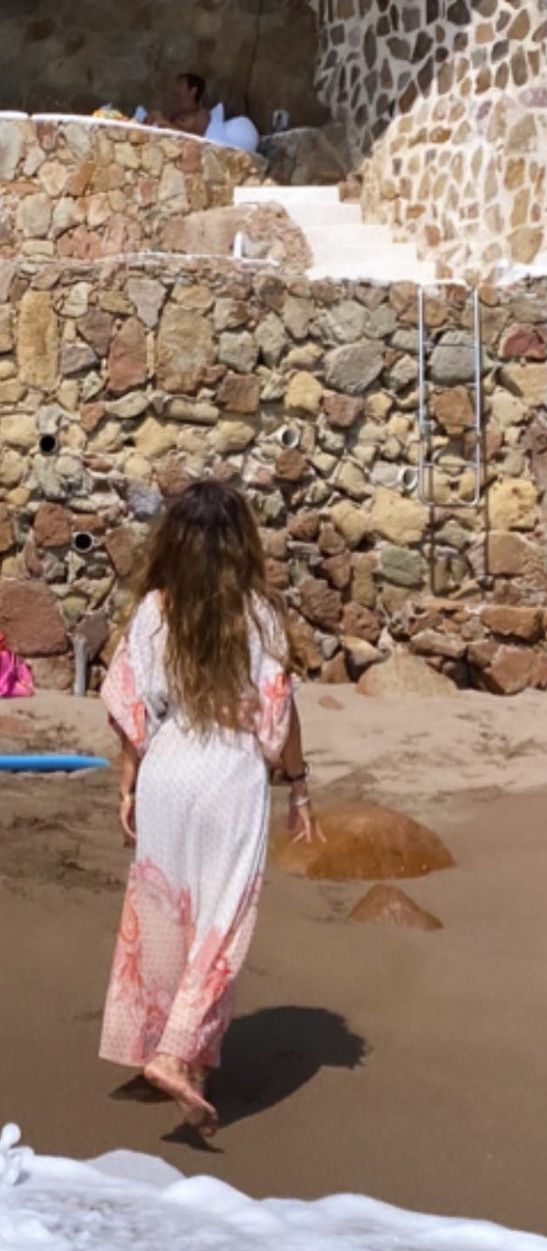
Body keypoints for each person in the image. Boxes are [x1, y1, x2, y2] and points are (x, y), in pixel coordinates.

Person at [99, 480, 316, 1136]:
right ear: (240, 543)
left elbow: (131, 708)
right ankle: (174, 1056)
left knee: (165, 915)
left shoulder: (153, 611)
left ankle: (176, 1059)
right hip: (228, 776)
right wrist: (299, 786)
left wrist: (129, 786)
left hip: (168, 770)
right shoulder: (259, 616)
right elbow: (279, 712)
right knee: (221, 923)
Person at [147, 71, 209, 137]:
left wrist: (162, 122)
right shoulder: (177, 112)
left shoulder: (201, 114)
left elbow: (196, 138)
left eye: (180, 85)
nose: (175, 90)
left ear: (193, 91)